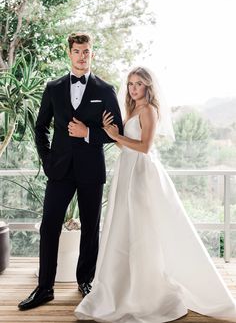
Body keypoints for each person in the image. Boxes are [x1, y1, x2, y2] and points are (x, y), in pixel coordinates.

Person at [75, 66, 236, 322]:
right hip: (127, 170)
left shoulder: (149, 110)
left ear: (148, 87)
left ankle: (146, 293)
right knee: (124, 226)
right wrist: (110, 134)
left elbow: (145, 147)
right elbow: (125, 145)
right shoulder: (133, 110)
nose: (133, 88)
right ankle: (122, 288)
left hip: (141, 173)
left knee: (141, 230)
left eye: (138, 84)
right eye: (130, 84)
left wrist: (117, 135)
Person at [18, 32, 123, 310]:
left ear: (92, 53)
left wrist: (89, 132)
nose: (82, 56)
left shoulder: (105, 90)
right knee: (49, 226)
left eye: (86, 51)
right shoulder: (54, 88)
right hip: (60, 170)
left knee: (91, 228)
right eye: (77, 51)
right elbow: (40, 128)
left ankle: (85, 281)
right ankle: (44, 288)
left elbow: (117, 134)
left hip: (91, 170)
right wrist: (47, 160)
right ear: (69, 53)